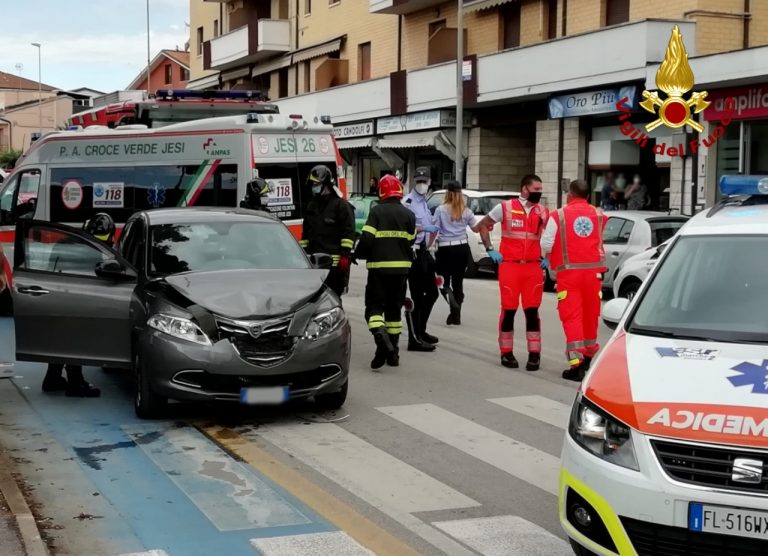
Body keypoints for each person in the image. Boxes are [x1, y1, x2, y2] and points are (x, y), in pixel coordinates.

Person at [474, 175, 549, 370]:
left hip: (533, 267)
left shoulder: (543, 212)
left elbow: (552, 237)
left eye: (541, 189)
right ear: (524, 189)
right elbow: (482, 225)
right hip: (510, 266)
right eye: (536, 188)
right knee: (509, 310)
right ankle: (506, 353)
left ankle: (534, 355)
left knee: (532, 312)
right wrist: (490, 249)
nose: (539, 192)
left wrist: (549, 257)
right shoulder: (505, 208)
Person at [42, 213, 117, 397]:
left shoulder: (64, 243)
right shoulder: (92, 251)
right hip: (76, 299)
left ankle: (52, 378)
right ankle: (76, 383)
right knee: (75, 339)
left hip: (55, 297)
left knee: (61, 339)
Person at [541, 179, 607, 382]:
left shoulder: (558, 215)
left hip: (569, 274)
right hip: (593, 274)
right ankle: (588, 356)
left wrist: (549, 258)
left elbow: (546, 242)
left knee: (572, 317)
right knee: (590, 315)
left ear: (569, 194)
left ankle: (576, 365)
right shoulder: (599, 215)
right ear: (588, 196)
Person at [354, 174, 416, 370]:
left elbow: (367, 239)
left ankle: (381, 340)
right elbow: (411, 241)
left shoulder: (377, 211)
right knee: (393, 310)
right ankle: (393, 352)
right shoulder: (409, 214)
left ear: (381, 192)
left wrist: (357, 254)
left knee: (373, 309)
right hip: (401, 271)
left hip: (378, 270)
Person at [431, 180, 486, 326]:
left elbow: (434, 229)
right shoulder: (466, 211)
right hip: (462, 248)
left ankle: (452, 303)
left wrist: (429, 245)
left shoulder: (440, 210)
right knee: (458, 282)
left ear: (447, 193)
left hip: (445, 248)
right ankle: (456, 316)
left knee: (441, 280)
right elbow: (475, 229)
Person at [300, 165, 355, 300]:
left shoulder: (341, 206)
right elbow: (306, 234)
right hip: (314, 264)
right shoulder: (311, 206)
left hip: (334, 265)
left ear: (326, 185)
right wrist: (303, 256)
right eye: (313, 184)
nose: (314, 187)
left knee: (333, 298)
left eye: (316, 184)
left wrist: (345, 256)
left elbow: (348, 233)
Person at [402, 167, 440, 351]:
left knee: (433, 292)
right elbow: (404, 229)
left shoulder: (424, 202)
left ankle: (421, 330)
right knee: (417, 296)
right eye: (419, 181)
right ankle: (414, 338)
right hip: (414, 252)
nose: (422, 185)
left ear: (430, 182)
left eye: (425, 181)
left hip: (425, 252)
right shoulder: (407, 202)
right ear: (413, 181)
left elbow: (430, 224)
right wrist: (423, 230)